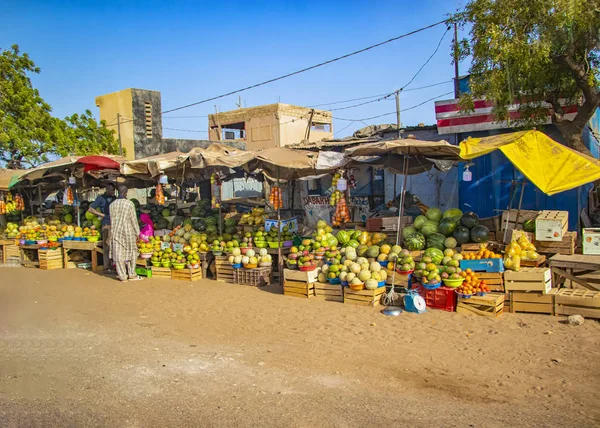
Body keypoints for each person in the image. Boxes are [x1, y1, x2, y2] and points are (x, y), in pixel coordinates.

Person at [109, 185, 142, 282]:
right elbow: (133, 219)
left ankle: (122, 276)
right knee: (132, 252)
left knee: (119, 253)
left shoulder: (112, 205)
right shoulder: (129, 204)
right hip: (128, 231)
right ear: (126, 192)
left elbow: (112, 220)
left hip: (115, 231)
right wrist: (137, 232)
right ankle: (132, 274)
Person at [88, 183, 116, 272]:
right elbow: (90, 209)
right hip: (106, 224)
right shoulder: (101, 198)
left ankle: (114, 265)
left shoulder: (114, 198)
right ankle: (107, 267)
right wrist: (102, 215)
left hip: (115, 224)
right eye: (112, 190)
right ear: (107, 189)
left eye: (114, 190)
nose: (113, 191)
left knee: (114, 245)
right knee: (107, 245)